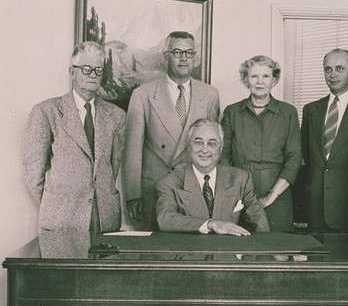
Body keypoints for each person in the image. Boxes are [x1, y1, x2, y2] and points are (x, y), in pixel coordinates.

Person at [22, 41, 126, 232]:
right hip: (62, 219)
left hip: (103, 218)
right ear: (73, 72)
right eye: (86, 69)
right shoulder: (46, 112)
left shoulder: (116, 116)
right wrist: (56, 202)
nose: (93, 74)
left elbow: (112, 166)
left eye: (98, 70)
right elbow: (33, 172)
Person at [122, 31, 220, 230]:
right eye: (177, 52)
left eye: (189, 53)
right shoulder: (143, 95)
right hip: (153, 191)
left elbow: (213, 149)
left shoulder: (210, 94)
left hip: (193, 191)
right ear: (165, 56)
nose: (184, 58)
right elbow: (132, 150)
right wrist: (134, 194)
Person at [220, 55, 301, 231]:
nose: (260, 81)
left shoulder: (288, 113)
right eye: (254, 76)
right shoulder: (232, 112)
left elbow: (294, 159)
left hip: (278, 194)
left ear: (274, 80)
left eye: (266, 76)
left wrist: (272, 195)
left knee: (277, 250)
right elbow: (223, 157)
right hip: (238, 193)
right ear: (245, 80)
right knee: (240, 248)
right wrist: (235, 191)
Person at [301, 49, 348, 233]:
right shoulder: (311, 109)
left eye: (339, 68)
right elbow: (306, 158)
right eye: (328, 69)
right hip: (315, 209)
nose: (333, 74)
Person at [156, 119, 270, 235]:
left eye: (212, 143)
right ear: (189, 146)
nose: (204, 150)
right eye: (198, 142)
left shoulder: (240, 178)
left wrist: (268, 250)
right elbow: (165, 219)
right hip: (189, 251)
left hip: (228, 251)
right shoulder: (169, 183)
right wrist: (211, 224)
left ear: (221, 148)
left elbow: (259, 222)